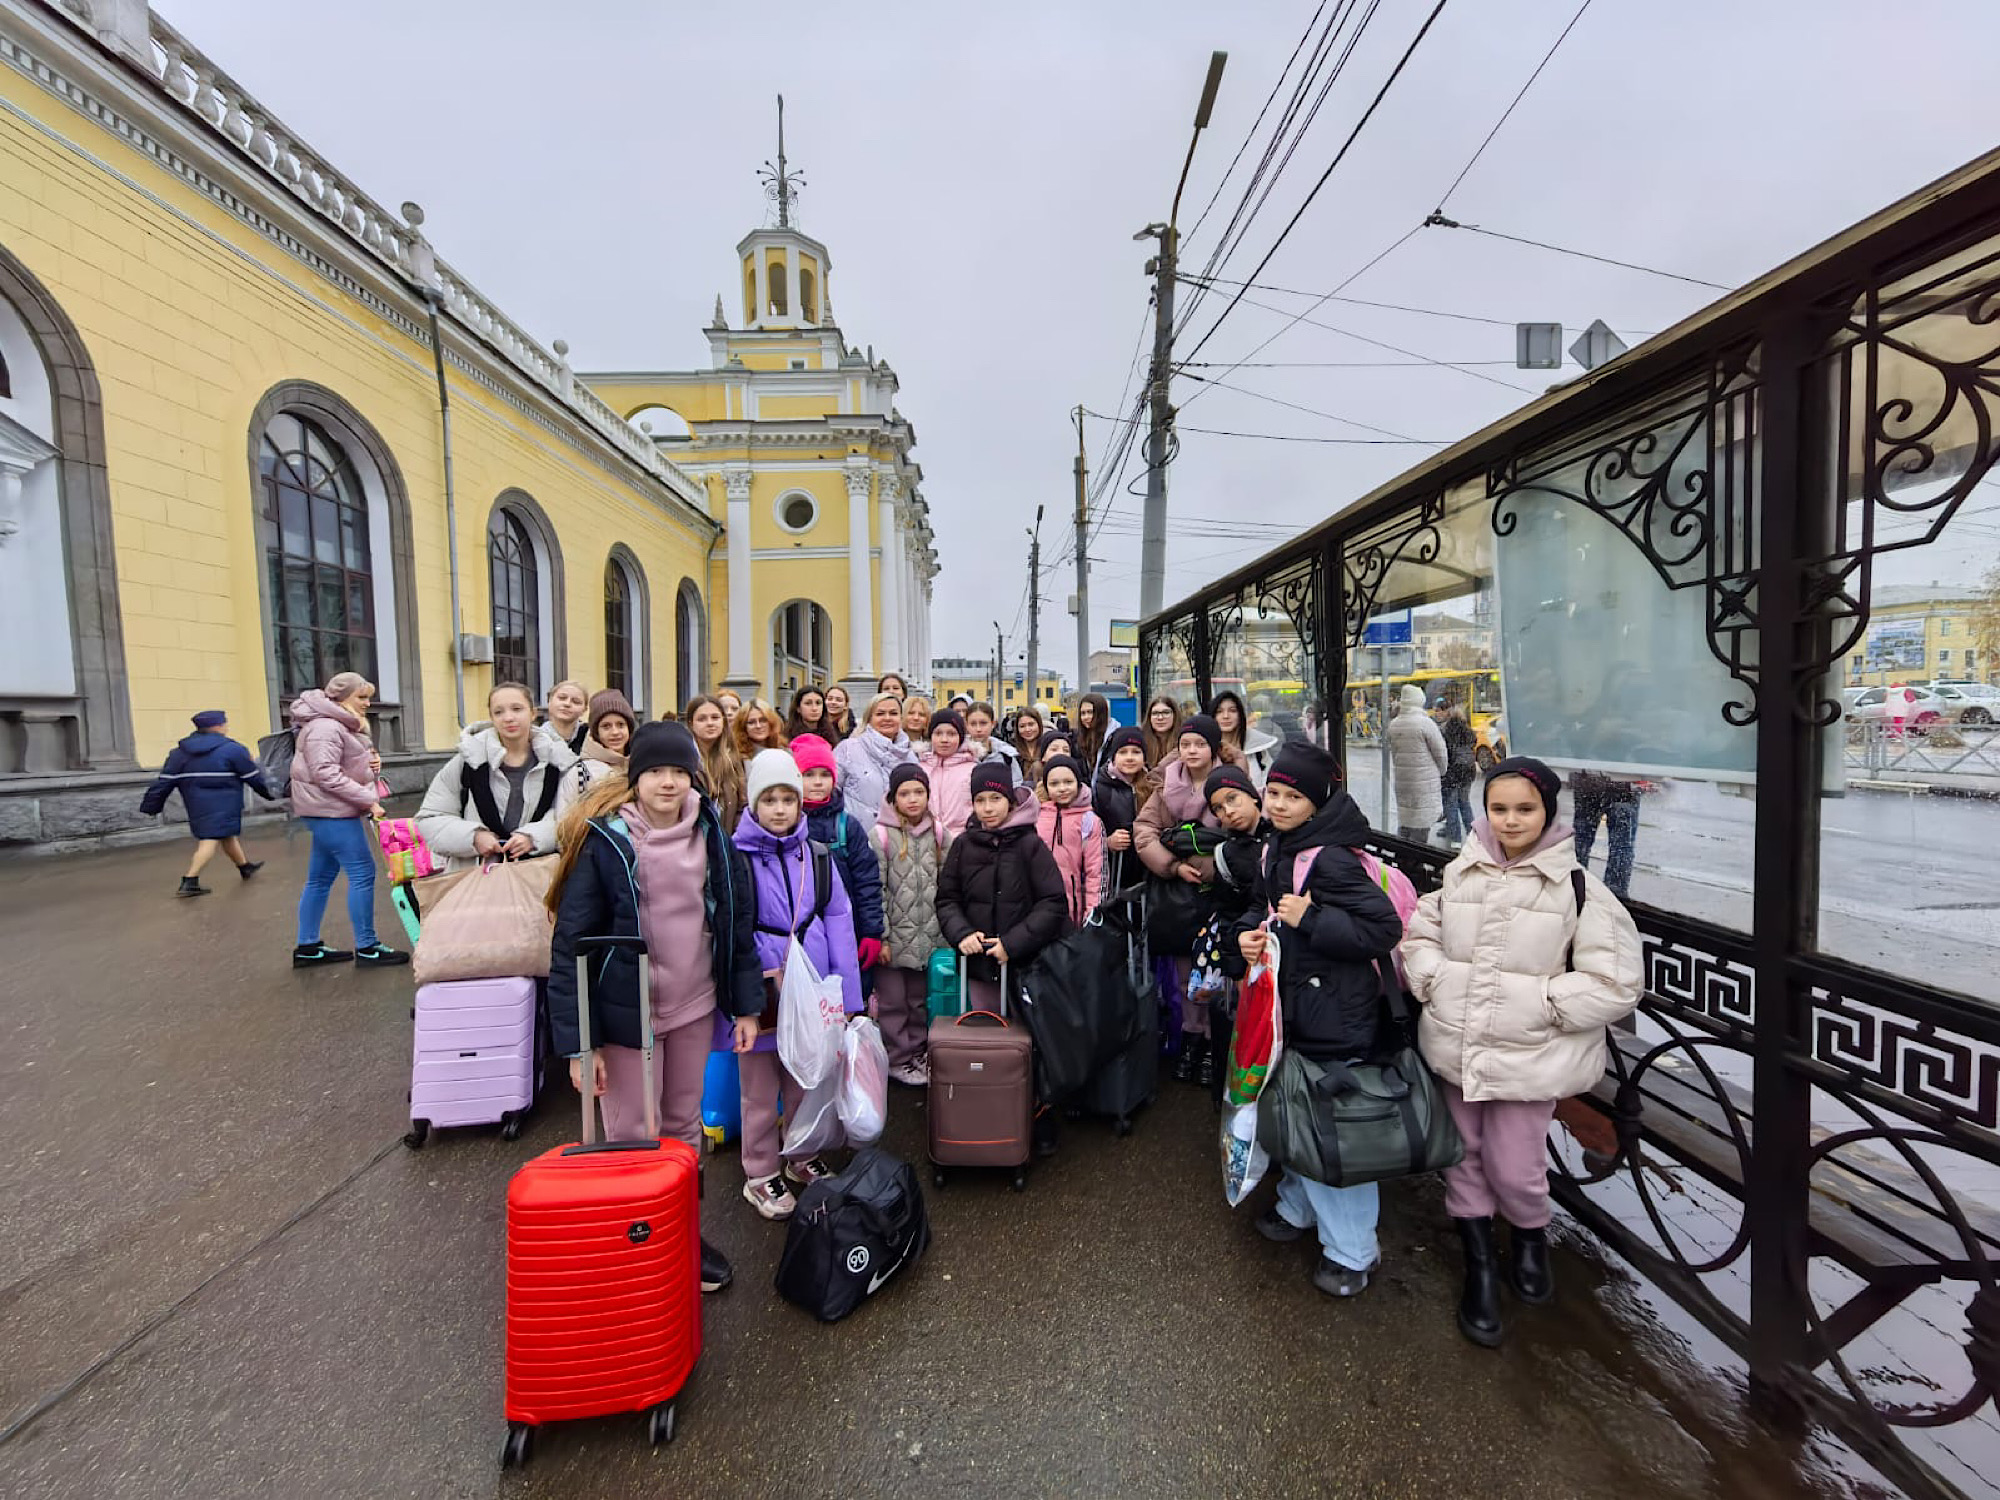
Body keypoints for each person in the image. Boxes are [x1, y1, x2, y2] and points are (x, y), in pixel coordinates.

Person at [1399, 756, 1642, 1346]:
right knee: (1463, 1154)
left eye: (1524, 809)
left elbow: (1615, 981)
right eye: (1499, 809)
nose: (1510, 821)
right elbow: (1418, 935)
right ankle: (1480, 1263)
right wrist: (1435, 980)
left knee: (1516, 1165)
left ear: (1548, 812)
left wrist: (1541, 1004)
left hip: (1529, 1059)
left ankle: (1530, 1238)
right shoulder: (1463, 871)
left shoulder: (1579, 888)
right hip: (1457, 1048)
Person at [545, 723, 763, 1295]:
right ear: (635, 778)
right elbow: (571, 944)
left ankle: (680, 1236)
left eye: (678, 771)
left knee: (684, 1128)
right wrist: (579, 1044)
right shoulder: (608, 841)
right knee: (633, 1134)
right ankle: (636, 1245)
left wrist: (745, 1007)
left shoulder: (712, 833)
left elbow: (736, 925)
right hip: (624, 1018)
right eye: (655, 772)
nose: (668, 782)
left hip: (693, 1007)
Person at [1228, 740, 1403, 1299]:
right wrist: (1248, 934)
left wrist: (1315, 918)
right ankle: (1299, 1206)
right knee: (1292, 1112)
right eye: (1272, 793)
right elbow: (1262, 903)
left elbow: (1382, 930)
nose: (1277, 804)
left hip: (1337, 1015)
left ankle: (1354, 1251)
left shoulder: (1328, 857)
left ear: (1318, 800)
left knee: (1333, 1132)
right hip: (1289, 1009)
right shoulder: (1277, 847)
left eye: (1292, 796)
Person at [733, 750, 865, 1219]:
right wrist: (740, 995)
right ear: (753, 803)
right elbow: (731, 928)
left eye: (788, 797)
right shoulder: (737, 858)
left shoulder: (818, 856)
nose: (780, 808)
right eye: (769, 798)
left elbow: (840, 921)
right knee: (757, 1088)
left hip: (812, 982)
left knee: (806, 1079)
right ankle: (759, 1171)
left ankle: (799, 1155)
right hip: (762, 986)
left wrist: (848, 996)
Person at [935, 761, 1068, 1155]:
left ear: (1010, 801)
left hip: (1024, 966)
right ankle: (986, 1112)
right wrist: (962, 934)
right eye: (980, 800)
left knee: (1030, 1042)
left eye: (996, 799)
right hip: (979, 967)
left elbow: (1052, 902)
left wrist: (1014, 942)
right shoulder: (963, 845)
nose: (988, 808)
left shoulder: (1029, 844)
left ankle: (1037, 1114)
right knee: (986, 1042)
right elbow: (947, 900)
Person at [288, 672, 404, 968]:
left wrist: (371, 763)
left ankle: (308, 946)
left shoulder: (338, 724)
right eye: (361, 697)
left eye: (368, 696)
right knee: (363, 873)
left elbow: (340, 766)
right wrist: (369, 800)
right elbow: (324, 773)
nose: (368, 703)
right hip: (331, 811)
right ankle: (367, 947)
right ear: (341, 697)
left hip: (328, 810)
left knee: (320, 879)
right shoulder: (326, 726)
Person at [1135, 714, 1225, 1085]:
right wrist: (1171, 866)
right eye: (1185, 744)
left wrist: (1206, 866)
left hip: (1219, 890)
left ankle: (1212, 1040)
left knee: (1214, 968)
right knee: (1187, 970)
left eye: (1199, 744)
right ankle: (1191, 1036)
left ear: (1213, 748)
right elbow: (1144, 829)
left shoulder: (1228, 783)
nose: (1191, 751)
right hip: (1177, 893)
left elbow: (1241, 832)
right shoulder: (1167, 784)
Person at [416, 680, 577, 873]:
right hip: (475, 878)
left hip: (536, 877)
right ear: (491, 717)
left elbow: (571, 817)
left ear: (533, 713)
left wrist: (535, 837)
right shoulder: (468, 762)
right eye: (499, 712)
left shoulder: (558, 763)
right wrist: (473, 837)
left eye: (517, 709)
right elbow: (430, 818)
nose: (508, 718)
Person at [141, 709, 276, 897]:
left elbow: (165, 781)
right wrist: (271, 795)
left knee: (226, 835)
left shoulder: (179, 753)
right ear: (218, 726)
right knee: (210, 840)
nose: (227, 726)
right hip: (226, 802)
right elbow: (253, 777)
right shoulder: (233, 749)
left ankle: (245, 867)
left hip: (196, 804)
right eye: (225, 723)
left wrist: (151, 805)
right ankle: (190, 881)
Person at [873, 762, 949, 1086]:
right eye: (905, 793)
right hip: (894, 940)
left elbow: (948, 884)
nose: (913, 799)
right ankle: (897, 1058)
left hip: (928, 936)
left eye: (919, 792)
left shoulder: (940, 833)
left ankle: (917, 1053)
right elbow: (876, 888)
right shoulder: (880, 836)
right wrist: (882, 937)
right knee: (892, 1004)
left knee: (919, 1002)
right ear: (893, 797)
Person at [791, 733, 886, 978]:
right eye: (808, 775)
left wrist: (871, 932)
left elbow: (867, 882)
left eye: (824, 775)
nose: (817, 782)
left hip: (844, 928)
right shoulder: (787, 825)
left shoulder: (846, 825)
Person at [1035, 753, 1103, 929]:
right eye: (1054, 784)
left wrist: (1092, 913)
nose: (1062, 788)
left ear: (1078, 783)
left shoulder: (1089, 820)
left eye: (1068, 782)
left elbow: (1095, 872)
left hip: (1072, 908)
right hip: (1036, 905)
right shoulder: (1035, 816)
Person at [835, 692, 918, 826]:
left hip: (898, 838)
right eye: (880, 714)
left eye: (893, 713)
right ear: (869, 718)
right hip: (856, 836)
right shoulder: (848, 749)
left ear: (901, 718)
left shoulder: (910, 756)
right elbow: (833, 791)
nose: (887, 718)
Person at [1092, 725, 1153, 891]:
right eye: (1123, 752)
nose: (1130, 757)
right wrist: (1108, 842)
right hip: (1115, 868)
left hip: (1146, 866)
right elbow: (1091, 831)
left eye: (1136, 752)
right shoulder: (1101, 788)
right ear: (1113, 757)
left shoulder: (1153, 786)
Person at [1568, 770, 1641, 900]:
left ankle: (1573, 888)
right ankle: (1614, 896)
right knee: (1621, 845)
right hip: (1625, 784)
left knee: (1581, 841)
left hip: (1590, 781)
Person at [1388, 683, 1447, 843]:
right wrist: (1441, 772)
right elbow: (1441, 754)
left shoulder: (1394, 724)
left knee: (1405, 824)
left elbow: (1395, 755)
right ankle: (1414, 865)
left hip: (1403, 783)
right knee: (1421, 827)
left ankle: (1401, 861)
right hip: (1423, 786)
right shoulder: (1425, 723)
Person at [559, 688, 637, 807]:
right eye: (606, 726)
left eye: (620, 725)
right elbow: (564, 820)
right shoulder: (581, 773)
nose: (615, 732)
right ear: (596, 732)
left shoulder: (642, 767)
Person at [685, 694, 747, 835]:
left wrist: (733, 839)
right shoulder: (685, 761)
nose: (710, 723)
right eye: (702, 719)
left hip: (727, 841)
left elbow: (742, 806)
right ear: (691, 723)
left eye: (715, 717)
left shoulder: (733, 759)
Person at [920, 710, 979, 837]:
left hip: (962, 840)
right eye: (938, 733)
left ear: (961, 737)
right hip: (926, 839)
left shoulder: (973, 770)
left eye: (951, 734)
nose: (944, 740)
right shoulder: (920, 769)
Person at [1208, 690, 1278, 788]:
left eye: (1232, 710)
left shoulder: (1258, 751)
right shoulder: (1206, 751)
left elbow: (1270, 785)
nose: (1226, 716)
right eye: (1219, 712)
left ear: (1240, 715)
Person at [1436, 698, 1478, 847]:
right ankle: (1473, 837)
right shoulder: (1469, 731)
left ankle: (1455, 840)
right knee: (1465, 804)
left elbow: (1443, 752)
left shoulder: (1445, 731)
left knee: (1450, 805)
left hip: (1452, 772)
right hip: (1468, 771)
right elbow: (1473, 744)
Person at [962, 700, 1022, 786]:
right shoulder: (958, 755)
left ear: (993, 724)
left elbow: (1016, 785)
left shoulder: (1006, 756)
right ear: (966, 725)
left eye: (983, 723)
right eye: (973, 724)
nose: (978, 729)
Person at [543, 680, 591, 758]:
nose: (567, 704)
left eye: (576, 702)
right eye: (562, 698)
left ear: (584, 710)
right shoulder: (534, 738)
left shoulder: (591, 737)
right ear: (549, 701)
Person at [1074, 692, 1112, 773]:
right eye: (1083, 713)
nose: (1086, 717)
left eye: (1090, 712)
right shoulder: (1076, 740)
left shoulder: (1112, 738)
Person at [1141, 694, 1182, 770]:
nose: (1160, 718)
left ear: (1175, 715)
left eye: (1166, 713)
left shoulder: (1184, 743)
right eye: (1155, 713)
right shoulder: (1140, 742)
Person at [1011, 705, 1048, 789]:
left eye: (1031, 724)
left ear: (1039, 724)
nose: (1027, 729)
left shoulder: (1048, 747)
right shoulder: (1011, 751)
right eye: (1022, 726)